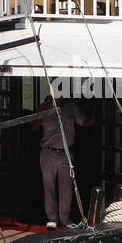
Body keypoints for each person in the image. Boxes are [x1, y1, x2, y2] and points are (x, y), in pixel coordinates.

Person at [31, 90, 93, 229]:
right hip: (48, 152)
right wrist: (45, 110)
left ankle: (65, 218)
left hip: (66, 152)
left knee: (66, 188)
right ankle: (52, 218)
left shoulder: (71, 107)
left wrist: (98, 111)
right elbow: (34, 126)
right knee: (49, 186)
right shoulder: (45, 107)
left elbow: (85, 122)